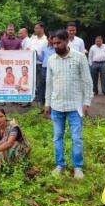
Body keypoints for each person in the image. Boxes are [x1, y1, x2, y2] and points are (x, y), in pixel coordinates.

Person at [44, 29, 93, 179]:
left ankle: (78, 167)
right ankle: (60, 165)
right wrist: (47, 103)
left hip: (75, 106)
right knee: (57, 137)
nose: (56, 46)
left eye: (59, 43)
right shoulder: (52, 59)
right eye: (54, 44)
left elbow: (87, 81)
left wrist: (87, 102)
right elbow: (49, 83)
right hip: (57, 105)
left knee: (76, 138)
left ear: (66, 41)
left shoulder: (79, 58)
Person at [30, 22, 49, 107]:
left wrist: (37, 55)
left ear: (42, 29)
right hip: (31, 64)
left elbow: (45, 54)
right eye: (35, 28)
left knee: (41, 83)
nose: (35, 30)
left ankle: (41, 102)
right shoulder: (33, 39)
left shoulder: (46, 40)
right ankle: (37, 100)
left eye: (37, 28)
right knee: (33, 82)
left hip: (41, 64)